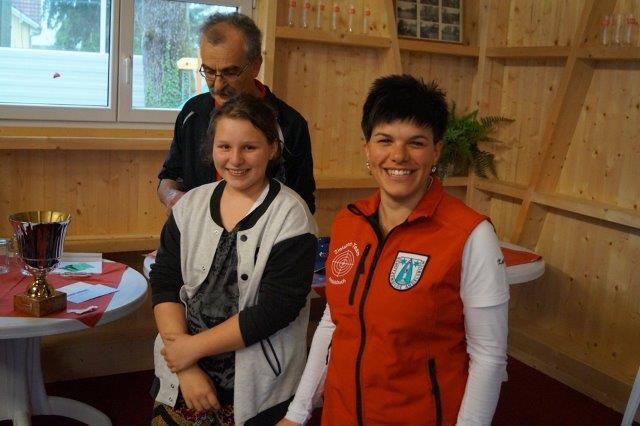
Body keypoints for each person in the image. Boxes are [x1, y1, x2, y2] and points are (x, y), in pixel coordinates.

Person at [280, 75, 509, 426]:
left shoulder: (470, 234)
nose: (398, 156)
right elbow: (333, 323)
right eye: (384, 140)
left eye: (416, 142)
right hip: (341, 414)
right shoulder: (348, 221)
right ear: (367, 149)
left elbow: (488, 357)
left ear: (436, 151)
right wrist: (297, 414)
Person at [150, 94, 317, 425]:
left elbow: (275, 310)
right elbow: (166, 283)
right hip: (182, 374)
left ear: (272, 149)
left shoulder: (292, 216)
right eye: (224, 146)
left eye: (249, 147)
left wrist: (191, 349)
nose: (235, 159)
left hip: (256, 387)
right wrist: (185, 365)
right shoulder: (189, 206)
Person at [158, 12, 315, 215]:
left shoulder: (289, 124)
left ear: (256, 66)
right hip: (197, 229)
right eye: (209, 71)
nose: (218, 84)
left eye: (230, 72)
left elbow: (303, 203)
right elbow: (170, 175)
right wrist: (171, 196)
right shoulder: (192, 113)